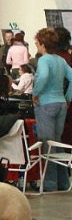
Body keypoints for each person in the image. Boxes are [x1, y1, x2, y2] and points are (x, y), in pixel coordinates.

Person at [32, 28, 72, 192]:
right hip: (61, 104)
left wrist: (36, 92)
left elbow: (43, 76)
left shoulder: (44, 60)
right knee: (57, 143)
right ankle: (63, 182)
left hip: (46, 104)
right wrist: (68, 97)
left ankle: (49, 184)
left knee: (47, 144)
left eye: (37, 43)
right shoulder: (60, 60)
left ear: (42, 44)